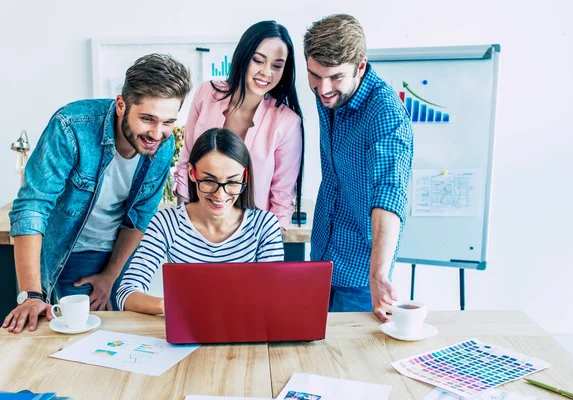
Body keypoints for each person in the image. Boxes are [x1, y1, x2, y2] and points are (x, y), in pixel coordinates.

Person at [2, 54, 192, 333]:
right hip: (67, 250)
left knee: (124, 341)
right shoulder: (71, 126)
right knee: (66, 341)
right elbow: (33, 205)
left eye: (168, 122)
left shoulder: (162, 145)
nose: (157, 133)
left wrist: (111, 276)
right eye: (148, 119)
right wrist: (30, 295)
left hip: (119, 255)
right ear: (121, 105)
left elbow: (139, 217)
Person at [303, 15, 414, 322]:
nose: (323, 88)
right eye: (314, 75)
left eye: (335, 77)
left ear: (360, 66)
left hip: (359, 277)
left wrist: (378, 274)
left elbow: (389, 192)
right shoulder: (328, 92)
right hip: (321, 260)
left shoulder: (386, 113)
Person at [117, 128, 284, 315]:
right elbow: (127, 292)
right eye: (209, 181)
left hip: (245, 329)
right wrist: (172, 306)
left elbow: (273, 294)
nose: (220, 195)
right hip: (187, 329)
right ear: (191, 172)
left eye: (232, 182)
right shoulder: (167, 222)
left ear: (244, 176)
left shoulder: (264, 225)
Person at [173, 20, 304, 229]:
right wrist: (184, 231)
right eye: (258, 60)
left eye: (277, 66)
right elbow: (186, 162)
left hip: (251, 239)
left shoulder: (287, 122)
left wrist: (270, 256)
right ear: (243, 57)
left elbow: (281, 200)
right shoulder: (207, 94)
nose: (266, 72)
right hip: (197, 228)